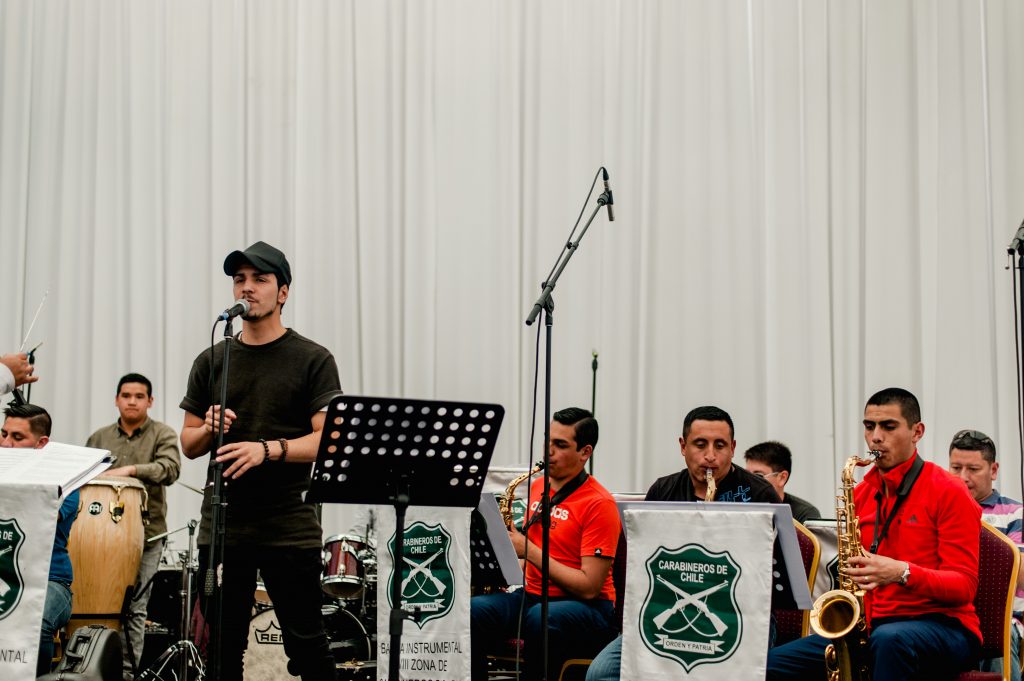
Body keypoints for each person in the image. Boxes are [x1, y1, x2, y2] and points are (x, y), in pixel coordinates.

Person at [179, 241, 341, 681]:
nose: (246, 288)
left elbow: (326, 438)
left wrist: (266, 449)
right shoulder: (213, 359)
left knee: (306, 646)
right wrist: (209, 427)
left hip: (288, 524)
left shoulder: (312, 358)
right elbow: (188, 443)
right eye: (239, 279)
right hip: (225, 524)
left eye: (259, 279)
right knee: (221, 649)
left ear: (282, 292)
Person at [767, 388, 982, 680]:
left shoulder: (949, 490)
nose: (876, 437)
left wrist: (901, 572)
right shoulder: (861, 493)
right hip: (874, 627)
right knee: (769, 665)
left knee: (891, 640)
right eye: (869, 427)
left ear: (917, 431)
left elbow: (964, 586)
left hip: (946, 627)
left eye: (888, 427)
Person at [586, 405, 779, 681]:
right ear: (682, 446)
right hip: (668, 612)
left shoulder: (760, 494)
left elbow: (774, 576)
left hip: (740, 616)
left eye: (720, 445)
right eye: (700, 445)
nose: (710, 456)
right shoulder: (663, 491)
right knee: (600, 673)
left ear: (734, 448)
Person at [471, 407, 621, 680]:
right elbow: (530, 557)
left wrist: (528, 550)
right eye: (547, 441)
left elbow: (589, 587)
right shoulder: (539, 486)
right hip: (533, 596)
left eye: (560, 445)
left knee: (540, 618)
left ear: (585, 452)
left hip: (589, 608)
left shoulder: (599, 503)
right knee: (474, 611)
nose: (548, 451)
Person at [86, 372, 181, 680]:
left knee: (135, 608)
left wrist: (129, 470)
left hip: (148, 536)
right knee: (96, 601)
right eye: (126, 395)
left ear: (150, 401)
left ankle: (126, 675)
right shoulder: (99, 438)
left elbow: (170, 468)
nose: (132, 401)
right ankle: (90, 669)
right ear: (116, 400)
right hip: (99, 537)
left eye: (139, 396)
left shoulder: (163, 434)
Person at [1, 403, 78, 676]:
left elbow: (37, 514)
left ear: (41, 443)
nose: (6, 444)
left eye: (17, 437)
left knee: (38, 620)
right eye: (3, 434)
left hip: (51, 581)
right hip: (5, 578)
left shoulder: (66, 482)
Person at [948, 428, 1022, 681]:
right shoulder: (938, 510)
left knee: (995, 628)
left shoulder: (1015, 514)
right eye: (955, 468)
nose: (963, 477)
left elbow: (1019, 575)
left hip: (1005, 618)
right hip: (947, 615)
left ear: (994, 470)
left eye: (973, 469)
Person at [744, 440, 821, 522]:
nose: (749, 481)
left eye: (758, 476)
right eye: (746, 474)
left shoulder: (805, 514)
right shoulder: (740, 509)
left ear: (782, 478)